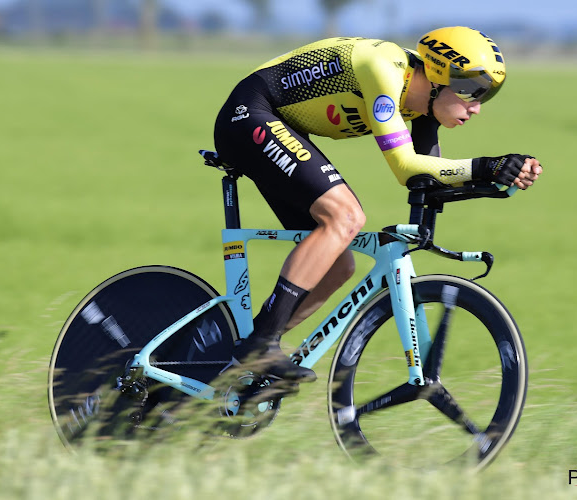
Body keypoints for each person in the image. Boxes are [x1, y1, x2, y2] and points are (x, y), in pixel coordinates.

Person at [213, 26, 543, 383]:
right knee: (346, 216)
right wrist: (485, 165)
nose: (477, 107)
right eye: (472, 91)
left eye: (486, 96)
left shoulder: (422, 106)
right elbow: (405, 166)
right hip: (250, 113)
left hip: (281, 123)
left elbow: (425, 179)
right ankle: (260, 345)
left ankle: (242, 355)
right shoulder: (383, 69)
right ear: (436, 76)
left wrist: (498, 178)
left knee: (338, 265)